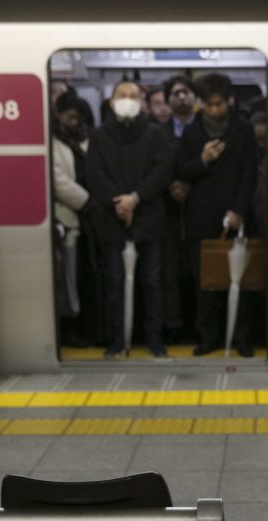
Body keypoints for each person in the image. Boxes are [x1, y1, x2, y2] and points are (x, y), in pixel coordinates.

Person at [86, 80, 173, 358]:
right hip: (112, 219)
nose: (127, 99)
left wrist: (135, 198)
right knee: (115, 282)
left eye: (133, 96)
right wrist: (120, 203)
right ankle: (118, 339)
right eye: (121, 95)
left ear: (142, 103)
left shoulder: (156, 134)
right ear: (111, 103)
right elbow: (93, 174)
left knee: (152, 281)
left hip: (148, 217)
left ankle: (154, 339)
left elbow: (162, 172)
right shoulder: (99, 137)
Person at [176, 73, 258, 357]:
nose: (214, 110)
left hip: (236, 215)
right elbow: (182, 170)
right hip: (202, 217)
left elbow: (249, 173)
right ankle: (208, 337)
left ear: (228, 101)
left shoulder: (243, 129)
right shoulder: (192, 132)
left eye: (219, 104)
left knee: (240, 281)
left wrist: (238, 210)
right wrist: (203, 160)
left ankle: (241, 337)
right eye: (209, 104)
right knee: (206, 283)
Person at [51, 90, 93, 347]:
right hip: (68, 217)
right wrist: (86, 200)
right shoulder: (52, 143)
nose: (74, 123)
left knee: (84, 276)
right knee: (68, 278)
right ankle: (69, 327)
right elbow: (56, 180)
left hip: (92, 220)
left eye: (79, 118)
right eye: (70, 117)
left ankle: (87, 326)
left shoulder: (90, 141)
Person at [159, 75, 199, 343]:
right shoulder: (157, 132)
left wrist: (189, 187)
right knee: (169, 274)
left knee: (199, 272)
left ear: (195, 98)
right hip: (167, 212)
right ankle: (173, 325)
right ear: (168, 100)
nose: (181, 97)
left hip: (198, 209)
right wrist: (170, 186)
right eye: (175, 93)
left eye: (186, 92)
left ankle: (199, 325)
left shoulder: (204, 130)